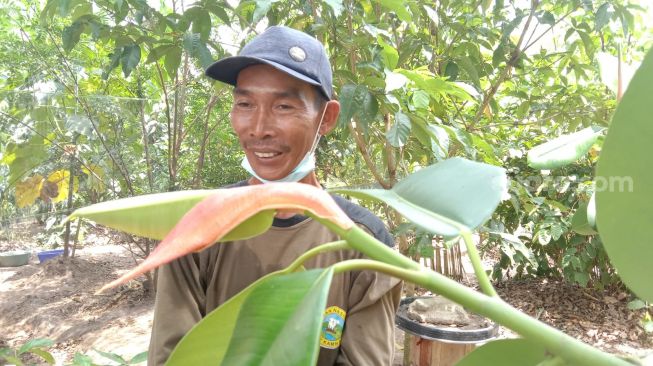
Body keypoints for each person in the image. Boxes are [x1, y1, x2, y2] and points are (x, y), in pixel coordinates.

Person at [148, 26, 402, 366]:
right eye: (245, 103)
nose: (258, 128)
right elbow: (173, 355)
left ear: (326, 118)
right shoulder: (199, 227)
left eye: (283, 106)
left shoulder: (364, 243)